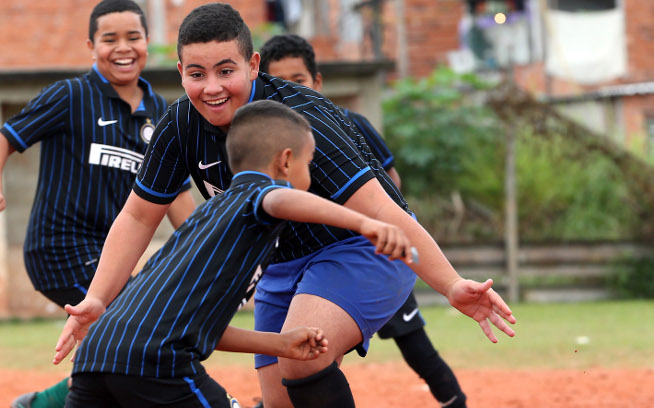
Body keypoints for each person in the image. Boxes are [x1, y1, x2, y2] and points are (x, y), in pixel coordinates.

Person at [58, 4, 516, 408]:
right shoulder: (180, 123)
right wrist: (97, 298)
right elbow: (139, 214)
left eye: (226, 70)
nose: (212, 88)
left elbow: (383, 212)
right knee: (279, 399)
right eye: (196, 74)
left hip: (363, 246)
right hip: (281, 264)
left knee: (305, 362)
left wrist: (451, 283)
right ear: (180, 72)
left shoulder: (301, 117)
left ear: (253, 64)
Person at [54, 100, 415, 408]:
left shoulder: (208, 217)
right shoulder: (256, 197)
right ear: (285, 162)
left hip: (97, 354)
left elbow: (197, 328)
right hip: (157, 363)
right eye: (309, 161)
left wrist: (280, 344)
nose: (311, 172)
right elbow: (279, 198)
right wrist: (367, 223)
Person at [0, 1, 192, 407]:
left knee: (123, 340)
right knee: (135, 326)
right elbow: (0, 139)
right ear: (91, 45)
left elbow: (176, 195)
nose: (122, 48)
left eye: (133, 37)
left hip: (111, 257)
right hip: (57, 250)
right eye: (110, 39)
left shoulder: (163, 113)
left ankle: (43, 404)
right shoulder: (70, 96)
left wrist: (211, 247)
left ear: (148, 43)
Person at [260, 33, 468, 408]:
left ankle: (457, 402)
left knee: (416, 345)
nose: (289, 92)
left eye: (299, 81)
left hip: (371, 253)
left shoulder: (347, 123)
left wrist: (364, 221)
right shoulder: (265, 139)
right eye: (279, 83)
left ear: (318, 83)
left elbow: (388, 185)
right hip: (314, 269)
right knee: (303, 365)